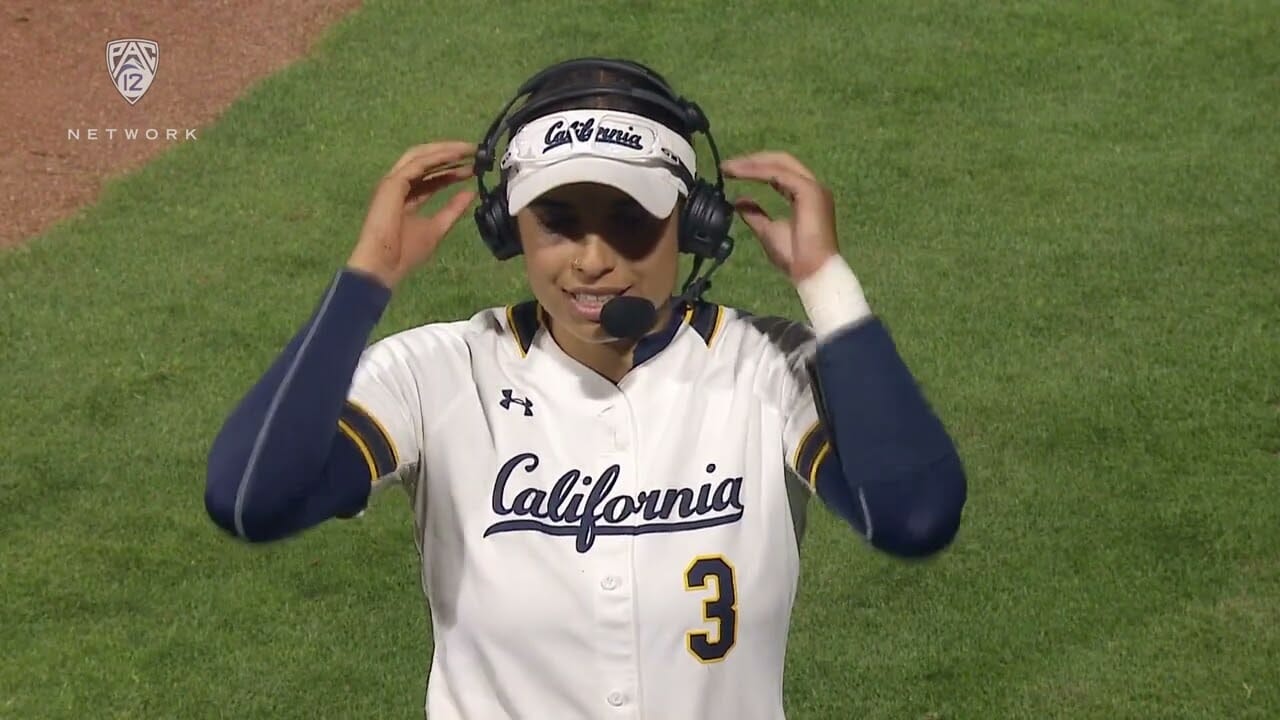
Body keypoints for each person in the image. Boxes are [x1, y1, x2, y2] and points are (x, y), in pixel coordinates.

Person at [204, 57, 967, 720]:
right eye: (558, 222)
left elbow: (914, 515)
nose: (592, 259)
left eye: (631, 221)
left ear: (693, 225)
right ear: (512, 230)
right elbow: (251, 499)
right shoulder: (437, 373)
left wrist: (826, 287)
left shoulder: (764, 368)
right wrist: (366, 280)